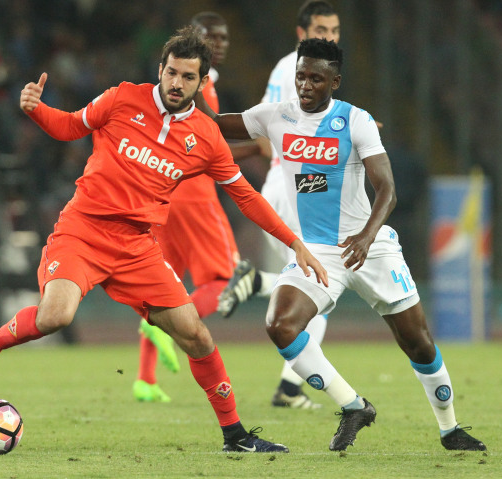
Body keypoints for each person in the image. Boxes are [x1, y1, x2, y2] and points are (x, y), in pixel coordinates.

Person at [0, 26, 330, 453]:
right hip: (84, 230)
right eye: (170, 73)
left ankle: (235, 436)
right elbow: (70, 126)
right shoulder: (122, 97)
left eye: (187, 77)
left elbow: (245, 197)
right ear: (160, 69)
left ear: (202, 82)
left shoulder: (206, 136)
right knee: (56, 316)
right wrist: (37, 110)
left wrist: (295, 243)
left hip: (136, 246)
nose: (176, 83)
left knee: (197, 337)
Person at [198, 37, 486, 452]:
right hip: (316, 252)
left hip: (369, 244)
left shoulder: (356, 121)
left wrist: (368, 235)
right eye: (301, 76)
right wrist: (196, 77)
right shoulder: (274, 115)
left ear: (335, 81)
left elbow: (387, 188)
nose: (305, 85)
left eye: (316, 78)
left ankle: (450, 429)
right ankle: (354, 407)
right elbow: (213, 122)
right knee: (280, 325)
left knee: (417, 340)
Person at [219, 0, 341, 411]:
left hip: (285, 188)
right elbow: (291, 143)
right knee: (323, 286)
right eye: (321, 29)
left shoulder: (286, 68)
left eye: (335, 30)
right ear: (301, 32)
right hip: (297, 193)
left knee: (314, 290)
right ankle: (290, 387)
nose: (330, 37)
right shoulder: (303, 72)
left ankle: (289, 386)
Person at [132, 12, 260, 403]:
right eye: (210, 37)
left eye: (223, 38)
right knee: (225, 279)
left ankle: (145, 380)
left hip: (162, 195)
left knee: (163, 284)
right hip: (196, 196)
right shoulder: (197, 89)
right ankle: (164, 326)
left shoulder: (178, 86)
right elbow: (211, 145)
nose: (219, 43)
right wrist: (258, 145)